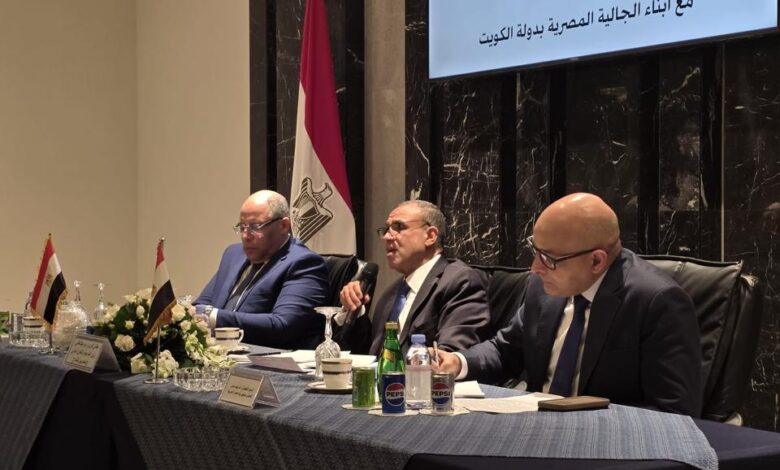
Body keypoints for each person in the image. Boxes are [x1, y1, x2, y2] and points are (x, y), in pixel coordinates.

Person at [434, 193, 703, 416]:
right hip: (534, 427)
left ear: (596, 261)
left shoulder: (657, 302)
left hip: (606, 442)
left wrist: (577, 422)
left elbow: (673, 411)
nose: (535, 268)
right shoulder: (543, 286)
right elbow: (506, 351)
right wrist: (457, 362)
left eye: (548, 258)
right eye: (535, 251)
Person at [339, 200, 490, 356]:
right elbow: (369, 357)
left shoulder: (459, 281)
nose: (387, 236)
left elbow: (450, 356)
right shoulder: (391, 294)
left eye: (399, 227)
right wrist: (355, 311)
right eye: (387, 229)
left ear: (430, 236)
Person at [194, 190, 328, 349]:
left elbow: (283, 325)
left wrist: (213, 317)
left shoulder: (304, 263)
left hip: (267, 358)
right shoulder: (233, 254)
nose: (245, 236)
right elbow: (201, 305)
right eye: (242, 226)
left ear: (284, 226)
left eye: (255, 227)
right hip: (218, 354)